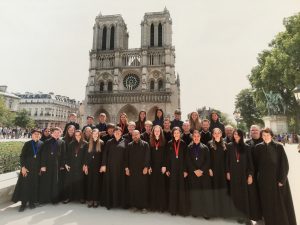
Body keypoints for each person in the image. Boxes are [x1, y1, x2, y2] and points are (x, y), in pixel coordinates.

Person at [253, 128, 297, 225]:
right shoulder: (258, 147)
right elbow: (255, 165)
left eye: (268, 135)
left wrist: (282, 179)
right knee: (267, 202)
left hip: (277, 180)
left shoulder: (278, 147)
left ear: (271, 135)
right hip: (264, 181)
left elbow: (284, 164)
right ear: (261, 136)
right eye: (264, 135)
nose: (266, 137)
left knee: (279, 202)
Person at [226, 129, 253, 225]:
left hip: (243, 174)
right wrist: (228, 172)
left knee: (244, 195)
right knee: (236, 195)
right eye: (235, 134)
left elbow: (250, 162)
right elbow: (227, 160)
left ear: (241, 136)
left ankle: (246, 216)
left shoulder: (246, 147)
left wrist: (250, 175)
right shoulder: (229, 146)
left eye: (238, 134)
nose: (236, 136)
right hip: (233, 174)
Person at [12, 129, 43, 212]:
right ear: (32, 135)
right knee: (25, 186)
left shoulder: (41, 144)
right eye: (35, 134)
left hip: (36, 170)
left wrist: (41, 168)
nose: (37, 135)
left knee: (34, 185)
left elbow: (42, 158)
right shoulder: (27, 143)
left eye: (38, 134)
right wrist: (23, 167)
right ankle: (23, 204)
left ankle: (32, 202)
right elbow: (22, 156)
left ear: (40, 135)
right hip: (27, 169)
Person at [186, 130, 213, 219]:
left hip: (204, 174)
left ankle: (206, 212)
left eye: (198, 136)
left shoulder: (205, 147)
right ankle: (195, 210)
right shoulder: (189, 147)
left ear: (200, 137)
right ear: (192, 137)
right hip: (193, 174)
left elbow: (208, 160)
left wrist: (201, 170)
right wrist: (195, 170)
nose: (196, 138)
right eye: (194, 136)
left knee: (205, 193)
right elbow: (188, 161)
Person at [100, 127, 127, 209]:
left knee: (120, 184)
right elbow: (105, 153)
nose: (117, 133)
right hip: (110, 167)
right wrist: (103, 165)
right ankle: (110, 203)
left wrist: (126, 167)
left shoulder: (125, 141)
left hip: (121, 168)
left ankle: (120, 203)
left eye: (119, 132)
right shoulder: (109, 142)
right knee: (110, 184)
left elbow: (127, 155)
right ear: (114, 133)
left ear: (121, 133)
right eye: (116, 132)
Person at [207, 128, 231, 218]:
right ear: (213, 134)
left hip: (223, 171)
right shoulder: (209, 144)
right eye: (215, 133)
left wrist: (227, 171)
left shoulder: (225, 144)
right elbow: (207, 158)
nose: (217, 134)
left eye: (218, 133)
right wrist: (209, 168)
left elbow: (227, 159)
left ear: (221, 134)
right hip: (213, 171)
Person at [125, 130, 150, 213]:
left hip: (142, 170)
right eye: (133, 135)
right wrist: (127, 168)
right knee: (133, 188)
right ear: (132, 136)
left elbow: (147, 156)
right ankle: (135, 205)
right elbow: (126, 158)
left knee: (143, 188)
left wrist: (146, 167)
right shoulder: (129, 145)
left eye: (136, 134)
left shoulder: (145, 144)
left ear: (139, 135)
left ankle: (144, 207)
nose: (135, 136)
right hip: (132, 170)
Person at [39, 127, 66, 204]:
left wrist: (62, 165)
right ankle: (45, 199)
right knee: (47, 181)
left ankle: (54, 199)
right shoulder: (46, 142)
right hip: (47, 165)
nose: (57, 134)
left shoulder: (62, 142)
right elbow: (43, 154)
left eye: (59, 133)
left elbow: (63, 155)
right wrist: (43, 165)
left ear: (60, 133)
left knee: (55, 182)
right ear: (52, 133)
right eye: (55, 132)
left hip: (57, 165)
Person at [165, 127, 188, 216]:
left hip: (181, 169)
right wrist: (167, 169)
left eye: (178, 133)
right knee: (173, 189)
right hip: (172, 169)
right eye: (175, 133)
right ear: (173, 134)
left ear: (180, 134)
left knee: (181, 189)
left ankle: (182, 210)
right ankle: (173, 210)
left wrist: (185, 170)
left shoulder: (183, 144)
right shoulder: (170, 143)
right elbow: (167, 157)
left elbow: (186, 158)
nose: (176, 134)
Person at [245, 125, 263, 223]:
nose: (254, 131)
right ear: (250, 132)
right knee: (254, 196)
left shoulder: (264, 141)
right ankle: (256, 215)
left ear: (260, 131)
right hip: (252, 174)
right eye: (252, 130)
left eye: (256, 130)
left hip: (264, 174)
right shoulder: (247, 143)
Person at [63, 130, 87, 204]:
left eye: (79, 135)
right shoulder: (71, 143)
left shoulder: (85, 143)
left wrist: (85, 164)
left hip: (80, 165)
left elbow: (86, 155)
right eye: (76, 135)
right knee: (70, 182)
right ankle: (69, 197)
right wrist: (66, 164)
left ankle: (81, 197)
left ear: (81, 135)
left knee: (80, 182)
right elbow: (67, 155)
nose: (77, 136)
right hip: (72, 165)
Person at [149, 125, 167, 212]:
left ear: (161, 132)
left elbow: (165, 155)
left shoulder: (163, 141)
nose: (156, 132)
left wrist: (164, 165)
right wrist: (149, 166)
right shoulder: (150, 141)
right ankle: (153, 206)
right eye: (155, 131)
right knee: (153, 186)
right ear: (153, 132)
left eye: (158, 131)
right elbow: (148, 155)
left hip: (161, 167)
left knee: (161, 186)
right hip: (153, 166)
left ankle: (161, 206)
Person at [84, 129, 103, 208]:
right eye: (93, 133)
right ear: (91, 134)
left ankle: (96, 200)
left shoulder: (101, 143)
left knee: (96, 183)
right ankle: (90, 199)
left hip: (98, 166)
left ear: (98, 134)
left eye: (96, 133)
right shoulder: (88, 143)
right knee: (90, 182)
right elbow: (86, 156)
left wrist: (102, 165)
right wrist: (86, 166)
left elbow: (103, 156)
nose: (95, 135)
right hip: (90, 166)